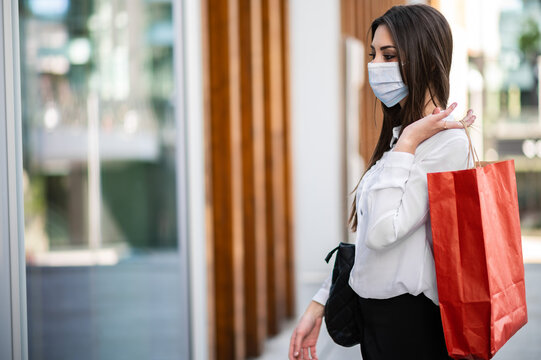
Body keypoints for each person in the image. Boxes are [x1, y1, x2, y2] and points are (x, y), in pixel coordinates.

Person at [288, 4, 477, 360]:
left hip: (411, 324)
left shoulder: (444, 144)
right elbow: (368, 246)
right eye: (374, 54)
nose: (376, 66)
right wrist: (320, 300)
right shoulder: (401, 136)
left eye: (389, 56)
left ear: (427, 60)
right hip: (377, 321)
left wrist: (407, 144)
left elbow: (382, 232)